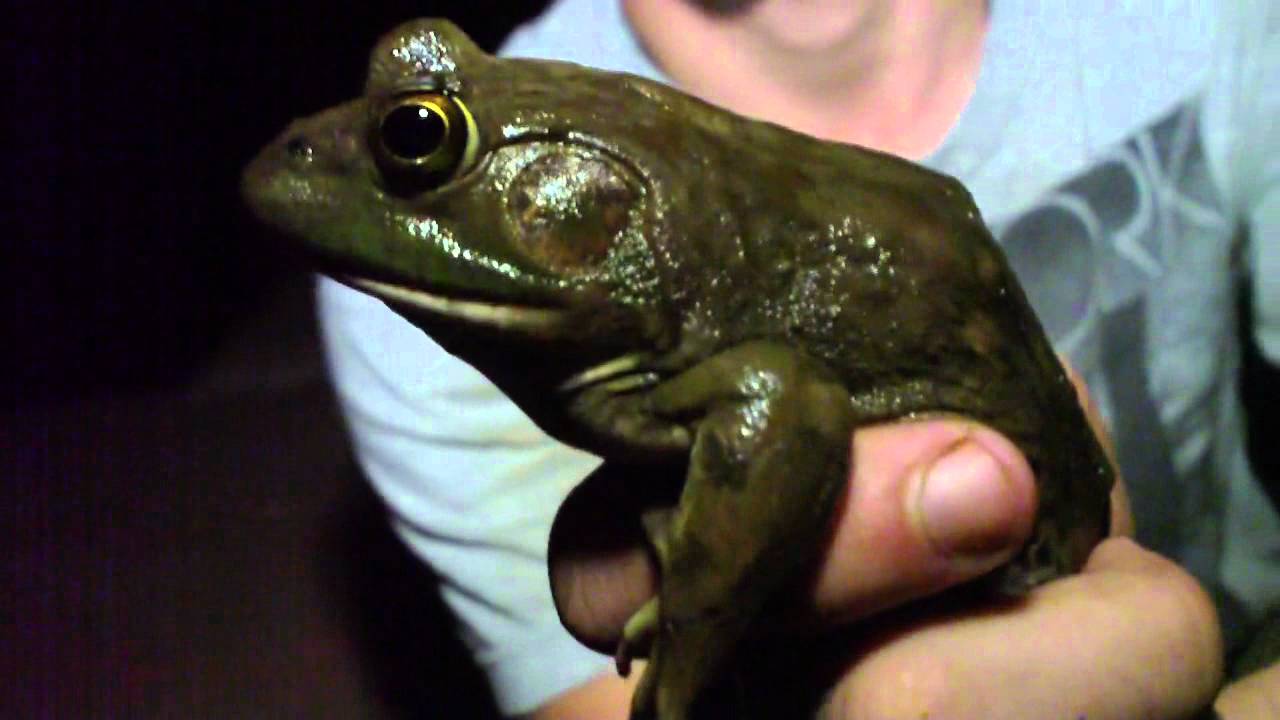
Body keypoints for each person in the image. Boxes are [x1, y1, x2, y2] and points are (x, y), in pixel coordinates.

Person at [316, 0, 1280, 717]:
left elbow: (775, 400)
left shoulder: (1206, 25)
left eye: (417, 141)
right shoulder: (402, 325)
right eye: (418, 132)